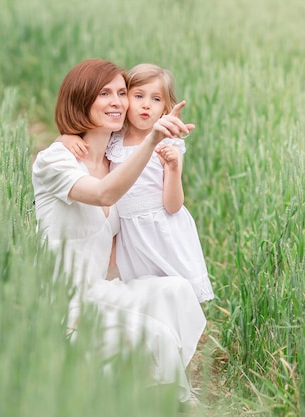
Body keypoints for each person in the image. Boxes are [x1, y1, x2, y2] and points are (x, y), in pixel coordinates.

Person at [31, 58, 205, 404]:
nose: (117, 101)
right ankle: (166, 401)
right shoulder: (56, 160)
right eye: (104, 93)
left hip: (99, 289)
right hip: (65, 302)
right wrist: (151, 140)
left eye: (122, 93)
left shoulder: (113, 161)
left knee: (175, 292)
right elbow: (104, 194)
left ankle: (147, 386)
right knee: (153, 333)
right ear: (81, 101)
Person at [60, 63, 215, 303]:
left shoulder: (168, 146)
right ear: (126, 101)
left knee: (174, 296)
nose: (146, 105)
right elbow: (87, 134)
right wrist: (66, 137)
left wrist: (173, 169)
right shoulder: (114, 139)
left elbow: (173, 206)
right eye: (138, 96)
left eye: (156, 99)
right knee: (142, 298)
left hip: (162, 231)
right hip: (130, 234)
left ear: (166, 108)